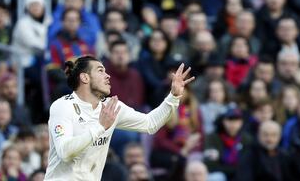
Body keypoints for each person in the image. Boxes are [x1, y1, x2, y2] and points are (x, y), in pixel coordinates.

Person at [44, 55, 194, 180]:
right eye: (100, 71)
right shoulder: (63, 106)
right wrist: (100, 127)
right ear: (84, 77)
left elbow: (150, 124)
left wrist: (174, 96)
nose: (107, 75)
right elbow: (65, 152)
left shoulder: (111, 107)